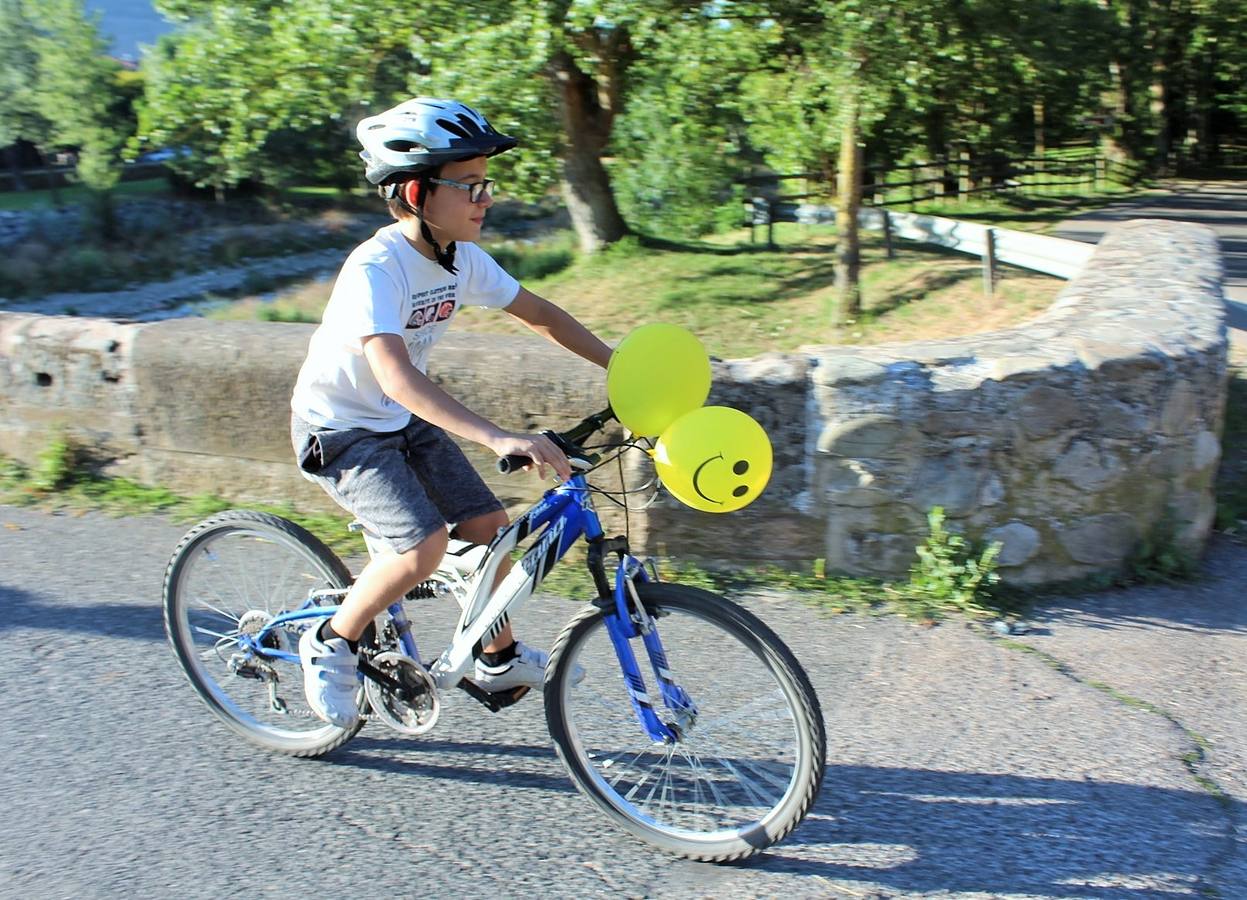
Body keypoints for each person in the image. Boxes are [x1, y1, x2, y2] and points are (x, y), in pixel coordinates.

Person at [289, 98, 612, 728]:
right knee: (422, 548)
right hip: (342, 428)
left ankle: (494, 658)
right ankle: (332, 641)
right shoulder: (376, 269)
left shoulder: (460, 259)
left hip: (399, 418)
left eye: (485, 184)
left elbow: (543, 316)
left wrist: (621, 367)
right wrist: (495, 436)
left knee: (490, 528)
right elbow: (394, 375)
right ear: (415, 192)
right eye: (470, 186)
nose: (485, 199)